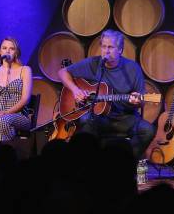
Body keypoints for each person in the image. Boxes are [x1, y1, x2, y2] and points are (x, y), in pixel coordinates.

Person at [58, 29, 155, 160]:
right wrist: (76, 90)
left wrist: (138, 101)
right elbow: (63, 73)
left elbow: (142, 99)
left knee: (147, 130)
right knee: (85, 120)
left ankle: (125, 162)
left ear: (120, 50)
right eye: (103, 46)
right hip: (100, 119)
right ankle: (89, 167)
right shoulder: (93, 64)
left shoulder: (132, 68)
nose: (106, 51)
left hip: (125, 119)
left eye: (110, 47)